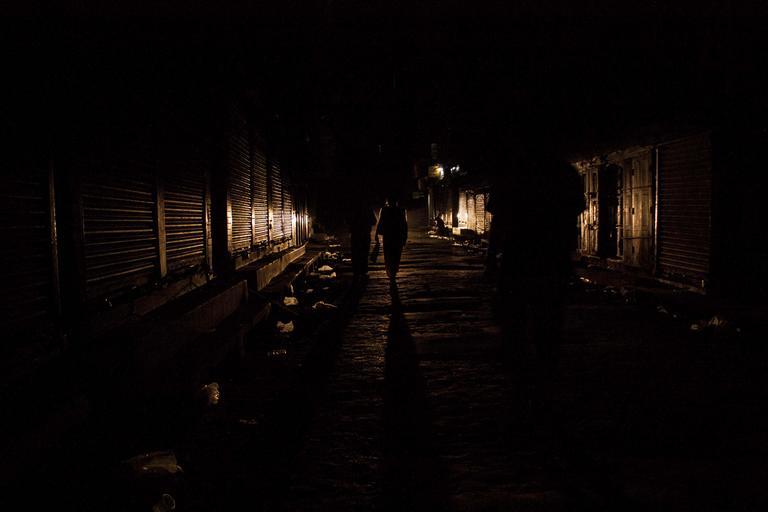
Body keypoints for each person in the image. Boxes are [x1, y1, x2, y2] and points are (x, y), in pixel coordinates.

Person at [375, 193, 408, 286]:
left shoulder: (384, 210)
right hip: (398, 236)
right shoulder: (401, 210)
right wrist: (405, 237)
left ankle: (390, 271)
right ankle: (394, 270)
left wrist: (377, 234)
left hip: (388, 236)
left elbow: (380, 222)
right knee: (396, 254)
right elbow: (404, 225)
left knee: (388, 254)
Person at [346, 199, 378, 282]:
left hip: (355, 234)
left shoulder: (352, 209)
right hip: (365, 234)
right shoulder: (368, 209)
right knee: (364, 253)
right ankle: (363, 271)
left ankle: (356, 272)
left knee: (355, 253)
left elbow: (347, 220)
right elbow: (374, 221)